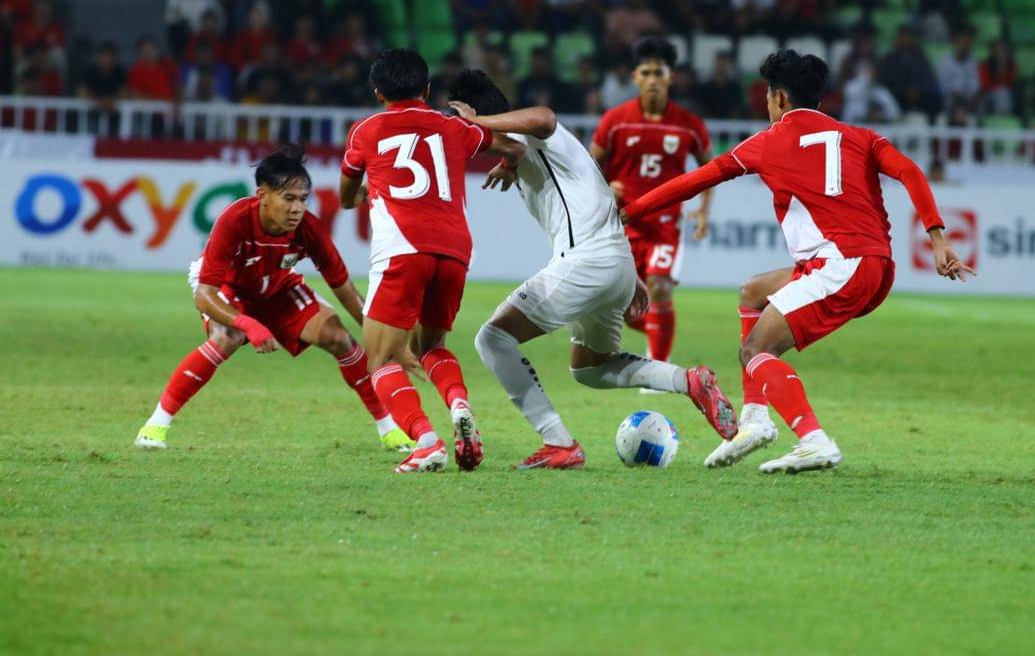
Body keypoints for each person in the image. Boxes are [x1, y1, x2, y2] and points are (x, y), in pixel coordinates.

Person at [622, 50, 973, 474]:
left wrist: (630, 211)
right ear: (819, 101)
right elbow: (912, 173)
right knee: (752, 292)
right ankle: (754, 420)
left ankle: (813, 439)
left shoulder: (767, 142)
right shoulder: (861, 137)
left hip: (839, 265)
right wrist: (937, 238)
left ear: (780, 98)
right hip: (874, 265)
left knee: (755, 349)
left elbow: (692, 182)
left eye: (769, 97)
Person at [444, 70, 736, 469]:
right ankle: (687, 381)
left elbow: (544, 116)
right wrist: (629, 276)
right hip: (613, 263)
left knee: (493, 339)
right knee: (591, 368)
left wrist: (473, 124)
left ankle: (559, 443)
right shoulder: (527, 151)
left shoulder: (534, 134)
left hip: (587, 262)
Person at [134, 146, 412, 453]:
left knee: (339, 338)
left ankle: (389, 429)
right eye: (288, 198)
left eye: (304, 199)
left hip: (277, 287)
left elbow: (345, 290)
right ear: (262, 195)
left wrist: (387, 341)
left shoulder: (309, 229)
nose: (297, 208)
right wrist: (248, 324)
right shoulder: (235, 219)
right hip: (229, 288)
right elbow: (205, 294)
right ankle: (156, 425)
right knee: (228, 336)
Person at [338, 49, 526, 474]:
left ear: (378, 91)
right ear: (426, 89)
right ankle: (458, 403)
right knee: (431, 346)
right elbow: (515, 149)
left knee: (382, 361)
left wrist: (362, 196)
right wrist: (507, 167)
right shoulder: (452, 126)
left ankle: (426, 441)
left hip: (404, 249)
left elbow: (346, 193)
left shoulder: (366, 130)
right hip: (455, 250)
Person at [589, 37, 713, 370]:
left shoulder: (688, 124)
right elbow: (588, 168)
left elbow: (710, 169)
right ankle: (657, 331)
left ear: (671, 77)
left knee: (658, 287)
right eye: (646, 72)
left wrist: (702, 211)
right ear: (635, 78)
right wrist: (604, 189)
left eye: (660, 72)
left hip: (665, 224)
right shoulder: (615, 120)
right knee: (628, 308)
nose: (653, 79)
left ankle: (660, 366)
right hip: (623, 223)